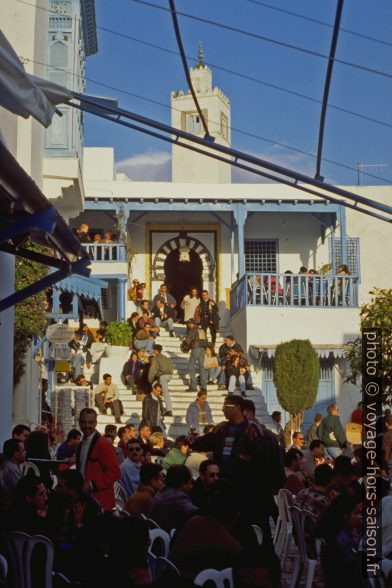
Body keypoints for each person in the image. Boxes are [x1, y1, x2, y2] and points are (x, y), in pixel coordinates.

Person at [190, 395, 285, 538]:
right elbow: (206, 442)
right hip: (228, 491)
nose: (222, 410)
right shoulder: (223, 430)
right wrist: (191, 441)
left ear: (237, 408)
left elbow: (267, 462)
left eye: (226, 407)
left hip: (252, 492)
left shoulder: (255, 432)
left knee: (258, 530)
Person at [76, 408, 120, 511]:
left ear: (96, 423)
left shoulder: (103, 444)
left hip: (101, 504)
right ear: (79, 422)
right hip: (87, 501)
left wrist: (92, 485)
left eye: (90, 422)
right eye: (83, 422)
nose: (86, 426)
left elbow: (115, 472)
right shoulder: (81, 444)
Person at [316, 494, 362, 588]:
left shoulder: (334, 533)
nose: (359, 517)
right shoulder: (340, 539)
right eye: (356, 513)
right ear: (345, 515)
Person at [148, 464, 197, 531]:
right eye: (190, 482)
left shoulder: (164, 490)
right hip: (168, 537)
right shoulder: (178, 498)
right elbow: (197, 515)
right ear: (183, 484)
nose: (191, 486)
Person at [182, 317, 208, 392]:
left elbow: (187, 341)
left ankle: (193, 386)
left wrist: (184, 344)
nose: (189, 325)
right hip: (203, 349)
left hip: (195, 348)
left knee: (191, 367)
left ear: (192, 324)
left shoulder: (192, 330)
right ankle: (204, 387)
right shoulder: (201, 330)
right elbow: (206, 340)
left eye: (189, 323)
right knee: (202, 368)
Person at [148, 344, 174, 416]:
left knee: (165, 392)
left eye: (153, 349)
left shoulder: (156, 359)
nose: (153, 351)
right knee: (154, 386)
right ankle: (154, 405)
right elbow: (171, 367)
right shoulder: (165, 358)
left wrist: (150, 380)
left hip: (162, 376)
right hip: (169, 375)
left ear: (156, 350)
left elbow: (152, 370)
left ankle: (169, 410)